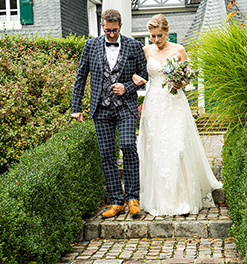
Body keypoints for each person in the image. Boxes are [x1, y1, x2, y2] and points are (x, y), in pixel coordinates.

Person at [133, 14, 223, 216]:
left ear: (167, 32)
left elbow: (188, 76)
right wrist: (137, 78)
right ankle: (161, 199)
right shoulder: (145, 51)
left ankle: (184, 197)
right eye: (152, 36)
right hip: (154, 105)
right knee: (157, 150)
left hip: (175, 103)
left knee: (179, 147)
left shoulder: (178, 50)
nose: (156, 40)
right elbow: (134, 72)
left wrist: (180, 83)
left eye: (159, 35)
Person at [71, 9, 148, 218]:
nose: (111, 35)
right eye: (107, 31)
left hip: (126, 107)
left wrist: (127, 87)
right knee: (106, 154)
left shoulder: (134, 45)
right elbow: (81, 77)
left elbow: (143, 74)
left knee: (128, 146)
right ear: (102, 27)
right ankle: (116, 201)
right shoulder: (91, 45)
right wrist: (75, 107)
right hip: (101, 108)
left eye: (114, 31)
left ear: (120, 26)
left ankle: (133, 198)